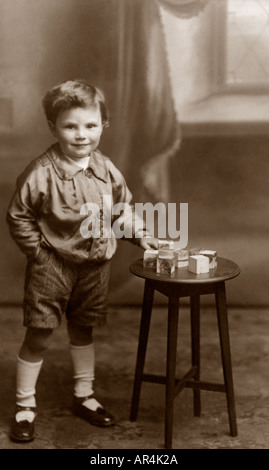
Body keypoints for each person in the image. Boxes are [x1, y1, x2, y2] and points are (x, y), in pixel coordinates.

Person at [6, 79, 158, 442]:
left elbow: (121, 211)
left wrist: (141, 235)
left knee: (83, 330)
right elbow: (18, 216)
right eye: (70, 126)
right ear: (53, 127)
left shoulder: (106, 169)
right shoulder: (41, 172)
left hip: (94, 266)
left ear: (103, 125)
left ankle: (84, 396)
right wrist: (39, 253)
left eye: (90, 125)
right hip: (52, 266)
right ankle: (25, 406)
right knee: (40, 334)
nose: (81, 135)